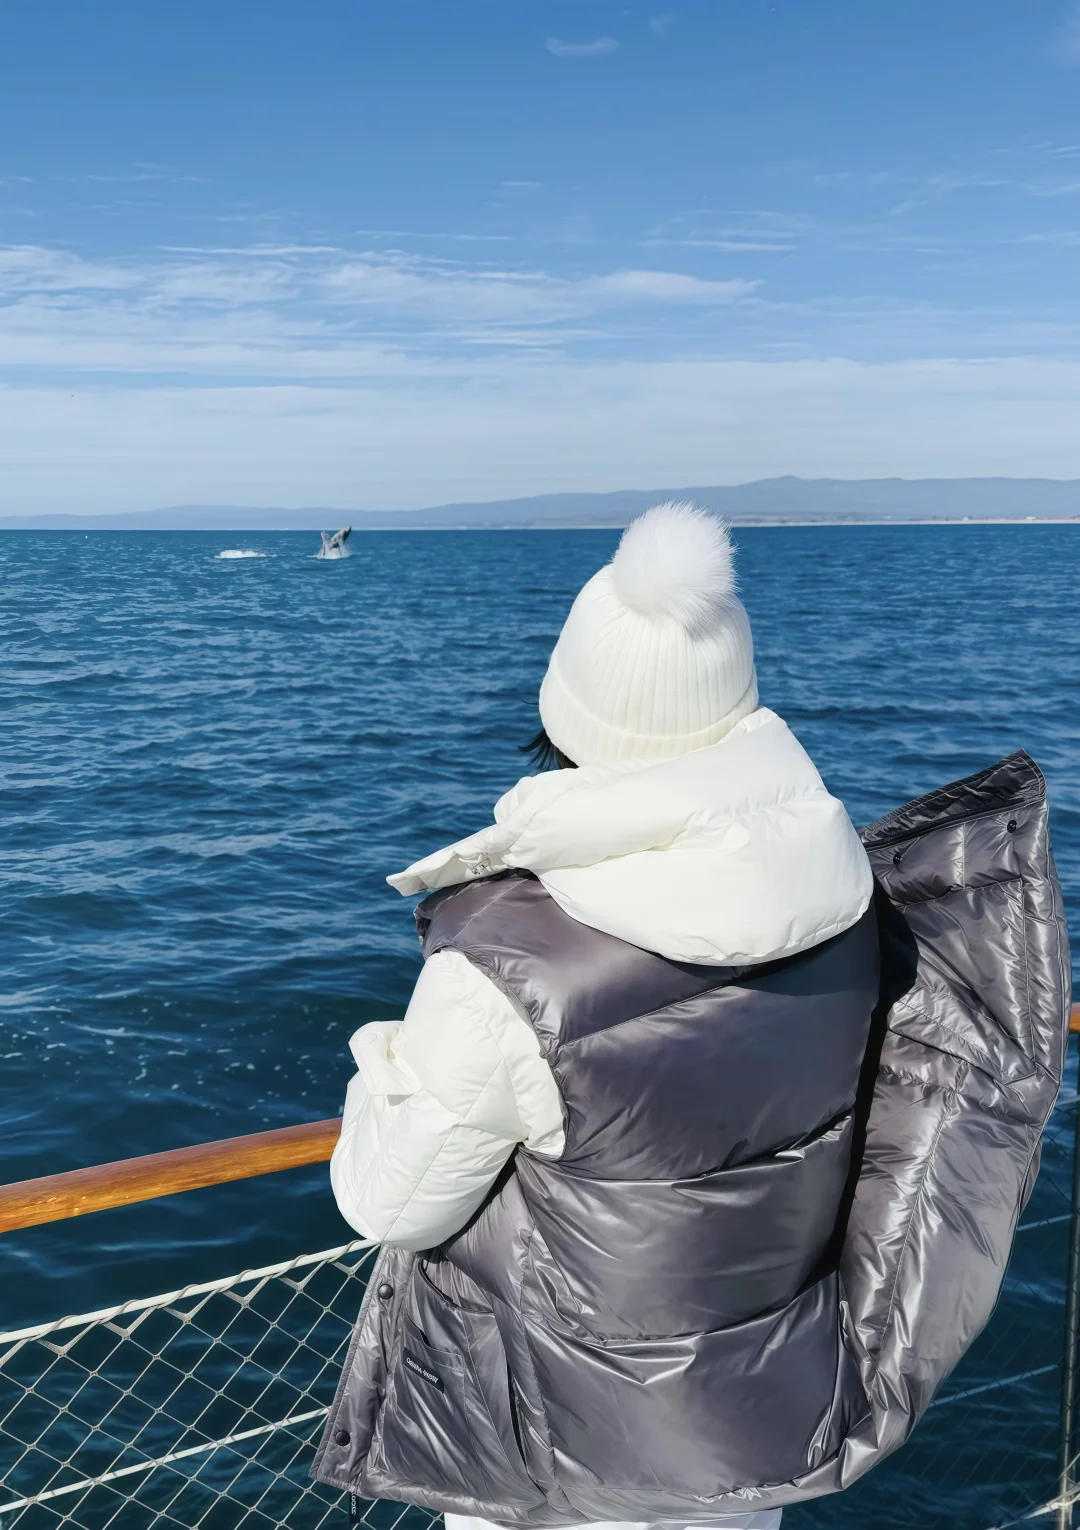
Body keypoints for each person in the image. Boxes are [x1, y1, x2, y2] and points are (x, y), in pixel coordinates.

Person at [314, 502, 1069, 1527]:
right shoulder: (850, 901)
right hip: (748, 1434)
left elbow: (389, 1203)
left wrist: (388, 1056)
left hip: (559, 1454)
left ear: (569, 713)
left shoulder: (506, 965)